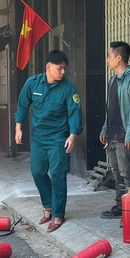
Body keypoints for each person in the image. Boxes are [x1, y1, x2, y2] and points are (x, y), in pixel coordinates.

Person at [15, 50, 83, 233]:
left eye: (64, 69)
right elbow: (22, 104)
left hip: (58, 139)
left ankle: (58, 215)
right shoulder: (32, 83)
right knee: (37, 172)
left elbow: (75, 112)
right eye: (59, 68)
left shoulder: (68, 89)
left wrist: (73, 135)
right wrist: (18, 127)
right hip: (38, 138)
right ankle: (48, 206)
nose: (63, 72)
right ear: (48, 67)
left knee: (58, 174)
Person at [99, 41, 130, 219]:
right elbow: (111, 108)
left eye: (110, 56)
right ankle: (121, 206)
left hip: (125, 135)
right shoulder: (113, 80)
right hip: (112, 134)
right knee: (116, 172)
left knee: (127, 172)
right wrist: (105, 128)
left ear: (118, 58)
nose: (107, 60)